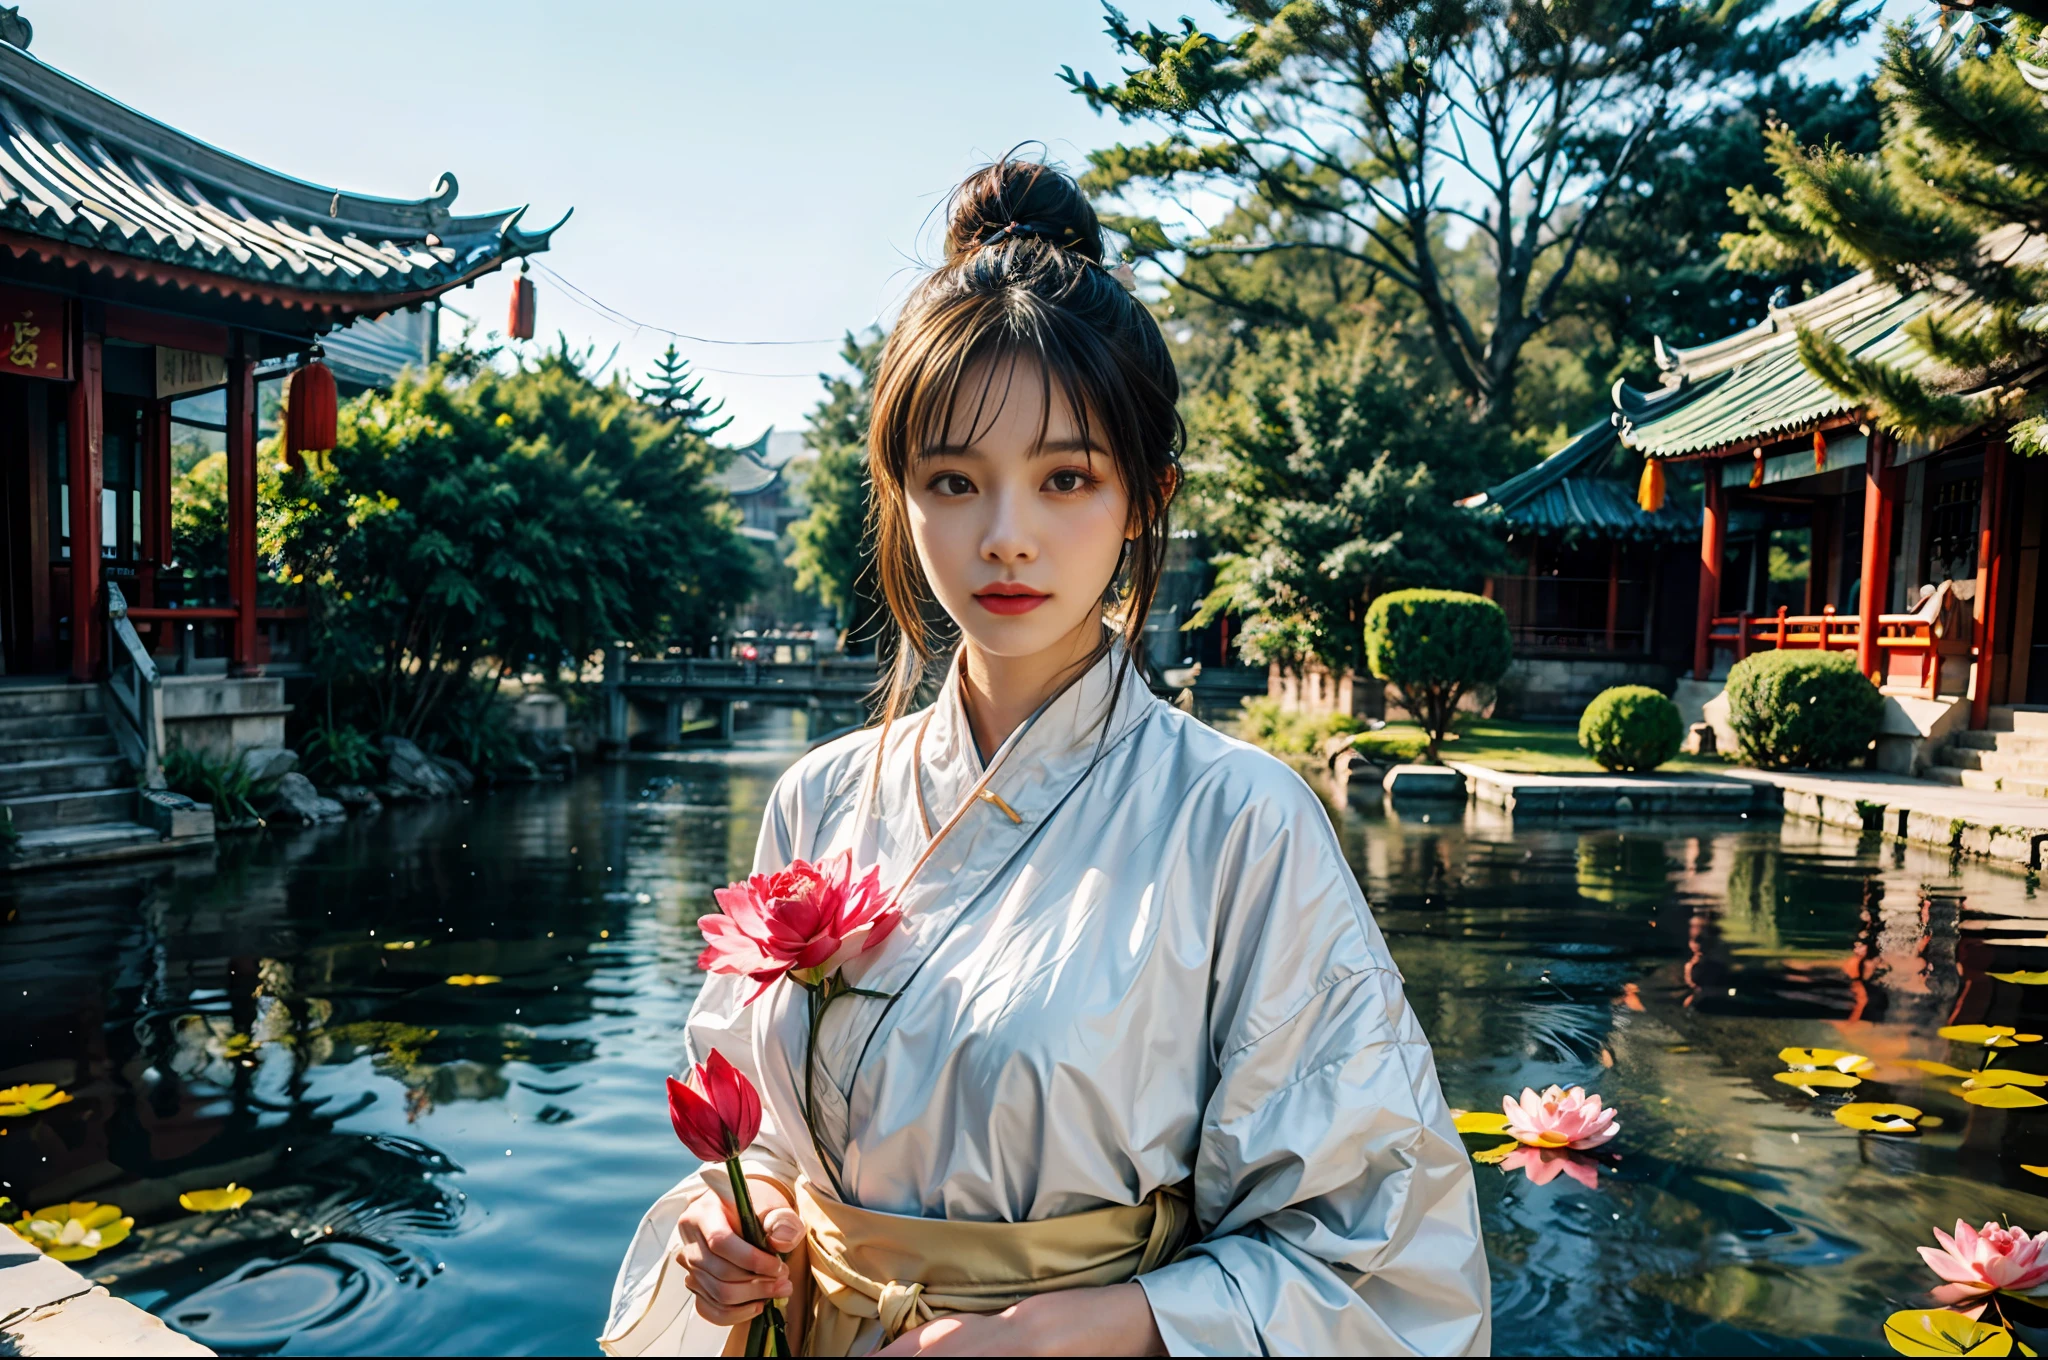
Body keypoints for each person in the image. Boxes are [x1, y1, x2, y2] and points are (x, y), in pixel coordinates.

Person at [602, 156, 1489, 1357]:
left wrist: (1101, 1323)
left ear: (1142, 496)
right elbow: (755, 1139)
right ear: (899, 497)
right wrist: (729, 1230)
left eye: (1064, 477)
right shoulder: (817, 800)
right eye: (953, 481)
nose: (1004, 536)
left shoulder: (1242, 823)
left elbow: (1377, 1247)